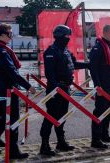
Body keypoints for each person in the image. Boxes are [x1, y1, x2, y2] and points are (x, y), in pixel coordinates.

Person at [0, 23, 36, 159]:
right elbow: (12, 72)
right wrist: (28, 86)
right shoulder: (1, 51)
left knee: (4, 119)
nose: (11, 38)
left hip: (2, 89)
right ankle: (3, 146)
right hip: (8, 90)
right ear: (1, 35)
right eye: (10, 35)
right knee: (12, 120)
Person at [40, 24, 90, 156]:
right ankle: (44, 145)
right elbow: (50, 74)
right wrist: (56, 88)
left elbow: (74, 64)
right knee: (51, 117)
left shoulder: (66, 51)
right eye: (67, 35)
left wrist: (89, 64)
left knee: (62, 117)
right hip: (55, 89)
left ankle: (61, 142)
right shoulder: (51, 52)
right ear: (60, 36)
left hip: (66, 88)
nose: (68, 38)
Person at [89, 25, 110, 149]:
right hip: (102, 86)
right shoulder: (98, 48)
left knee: (108, 111)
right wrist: (97, 86)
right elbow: (93, 68)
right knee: (99, 112)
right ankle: (95, 140)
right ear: (106, 32)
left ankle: (104, 134)